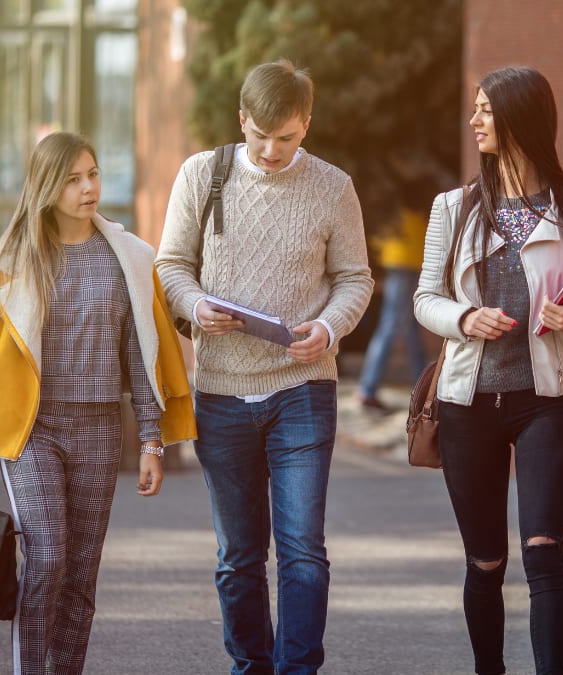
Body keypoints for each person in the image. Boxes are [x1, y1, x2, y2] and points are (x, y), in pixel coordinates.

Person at [0, 131, 197, 674]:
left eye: (94, 174)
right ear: (47, 187)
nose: (88, 188)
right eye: (74, 178)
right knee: (47, 557)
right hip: (30, 430)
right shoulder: (13, 259)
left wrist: (151, 440)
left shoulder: (127, 257)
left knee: (80, 573)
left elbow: (141, 356)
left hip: (99, 430)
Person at [156, 59, 373, 674]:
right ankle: (250, 665)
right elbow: (171, 266)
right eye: (261, 136)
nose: (273, 150)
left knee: (302, 551)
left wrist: (328, 328)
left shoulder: (334, 186)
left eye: (287, 136)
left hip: (302, 388)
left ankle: (297, 669)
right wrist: (196, 305)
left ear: (306, 122)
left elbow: (354, 278)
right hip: (221, 391)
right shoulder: (203, 174)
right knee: (238, 557)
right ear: (242, 119)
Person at [412, 66, 563, 675]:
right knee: (485, 563)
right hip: (467, 404)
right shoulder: (453, 207)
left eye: (485, 110)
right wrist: (464, 318)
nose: (474, 121)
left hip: (546, 401)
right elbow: (426, 296)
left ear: (520, 117)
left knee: (545, 554)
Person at [356, 197, 429, 412]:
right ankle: (369, 389)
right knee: (393, 328)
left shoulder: (391, 209)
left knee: (408, 328)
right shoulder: (413, 210)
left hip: (399, 265)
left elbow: (378, 241)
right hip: (406, 266)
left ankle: (422, 388)